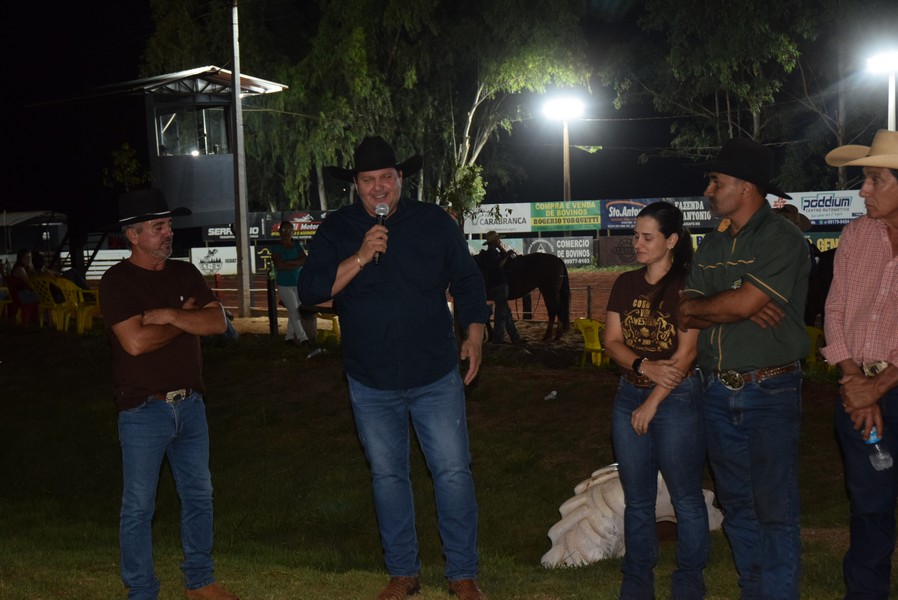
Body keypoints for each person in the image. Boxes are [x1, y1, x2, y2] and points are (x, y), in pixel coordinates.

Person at [298, 136, 491, 600]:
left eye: (387, 178)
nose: (379, 188)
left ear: (401, 179)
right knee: (387, 477)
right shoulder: (338, 229)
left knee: (452, 473)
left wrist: (476, 334)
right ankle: (403, 573)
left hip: (435, 373)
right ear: (356, 186)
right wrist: (361, 256)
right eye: (369, 180)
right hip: (371, 378)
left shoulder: (433, 223)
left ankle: (462, 574)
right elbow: (310, 291)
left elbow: (466, 279)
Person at [678, 138, 809, 599]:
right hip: (716, 392)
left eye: (717, 181)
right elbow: (683, 311)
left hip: (769, 391)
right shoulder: (712, 243)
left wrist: (730, 304)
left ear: (747, 187)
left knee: (773, 508)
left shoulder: (782, 238)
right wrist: (731, 304)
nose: (708, 190)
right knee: (736, 505)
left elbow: (738, 303)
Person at [99, 188, 238, 600]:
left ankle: (200, 582)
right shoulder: (117, 282)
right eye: (158, 227)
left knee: (200, 496)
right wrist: (188, 317)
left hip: (192, 407)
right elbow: (136, 343)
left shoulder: (184, 273)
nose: (168, 233)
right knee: (139, 507)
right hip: (143, 410)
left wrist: (172, 316)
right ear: (133, 235)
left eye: (169, 225)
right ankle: (142, 591)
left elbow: (219, 324)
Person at [604, 201, 708, 600]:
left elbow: (686, 354)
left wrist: (652, 402)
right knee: (638, 498)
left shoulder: (689, 284)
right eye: (636, 235)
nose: (638, 244)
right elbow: (611, 341)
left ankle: (689, 580)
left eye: (648, 237)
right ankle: (637, 580)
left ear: (672, 240)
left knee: (685, 495)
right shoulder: (625, 283)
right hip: (630, 390)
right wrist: (643, 366)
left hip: (678, 398)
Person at [821, 129, 898, 600]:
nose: (863, 190)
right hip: (859, 395)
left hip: (879, 388)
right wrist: (854, 381)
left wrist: (881, 384)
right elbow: (834, 310)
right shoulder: (855, 235)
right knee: (870, 508)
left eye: (875, 179)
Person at [270, 220, 310, 347]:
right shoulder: (276, 248)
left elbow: (305, 260)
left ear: (292, 231)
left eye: (289, 230)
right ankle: (303, 339)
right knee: (294, 311)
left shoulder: (298, 245)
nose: (286, 232)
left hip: (298, 283)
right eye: (283, 230)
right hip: (284, 284)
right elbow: (279, 265)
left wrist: (288, 263)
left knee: (294, 311)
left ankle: (288, 338)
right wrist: (296, 263)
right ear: (279, 231)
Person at [481, 231, 523, 344]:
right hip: (498, 284)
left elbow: (502, 260)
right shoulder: (491, 253)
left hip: (498, 284)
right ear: (493, 241)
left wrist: (502, 249)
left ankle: (515, 337)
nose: (499, 241)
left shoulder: (493, 252)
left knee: (505, 312)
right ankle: (498, 338)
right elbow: (498, 266)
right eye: (497, 239)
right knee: (501, 313)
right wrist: (506, 254)